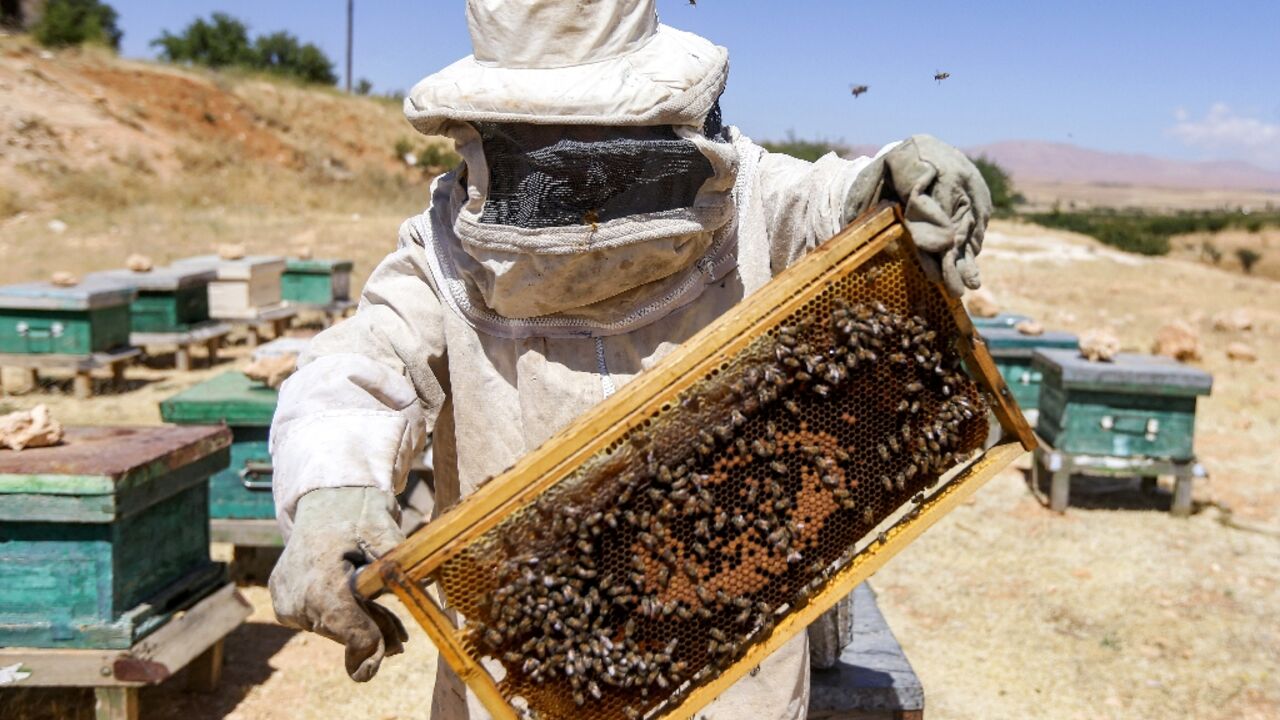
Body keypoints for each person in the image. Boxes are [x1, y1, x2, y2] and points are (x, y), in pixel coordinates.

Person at [268, 1, 990, 717]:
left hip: (734, 665)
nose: (584, 165)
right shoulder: (442, 251)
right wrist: (331, 489)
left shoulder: (753, 198)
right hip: (535, 673)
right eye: (552, 139)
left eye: (603, 133)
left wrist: (887, 189)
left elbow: (827, 204)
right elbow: (362, 365)